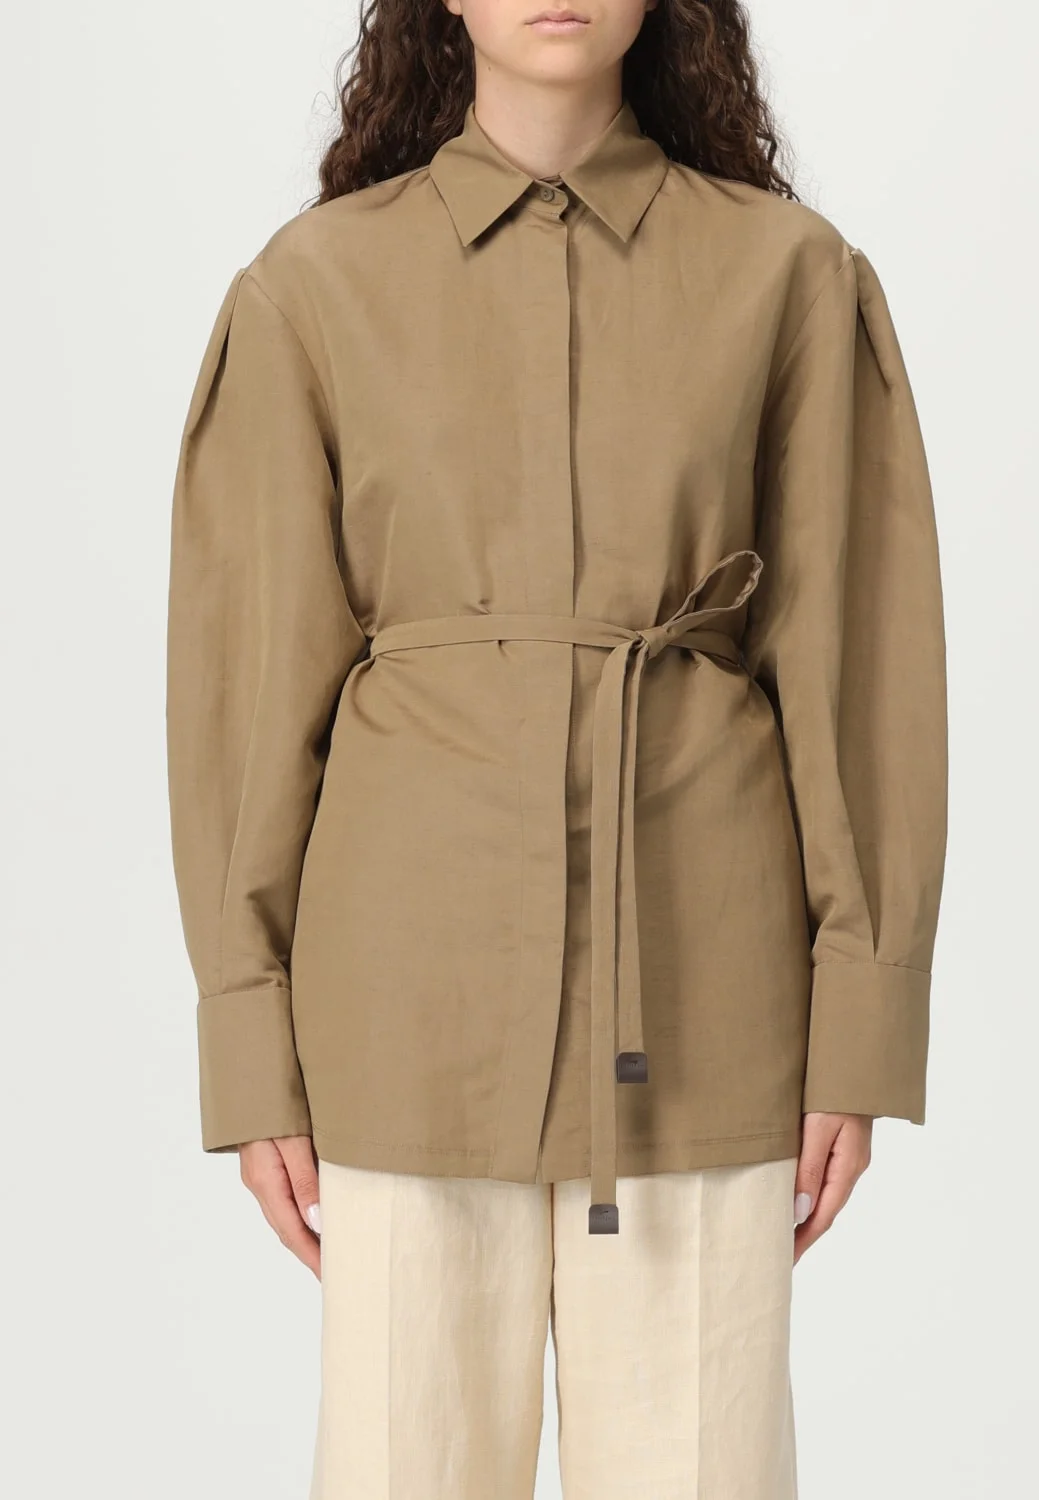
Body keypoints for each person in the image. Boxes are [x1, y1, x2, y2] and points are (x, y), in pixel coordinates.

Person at [165, 1, 948, 1495]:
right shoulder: (313, 288)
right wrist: (247, 1041)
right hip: (401, 1014)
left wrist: (864, 1014)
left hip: (706, 1001)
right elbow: (246, 701)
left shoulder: (788, 276)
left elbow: (862, 667)